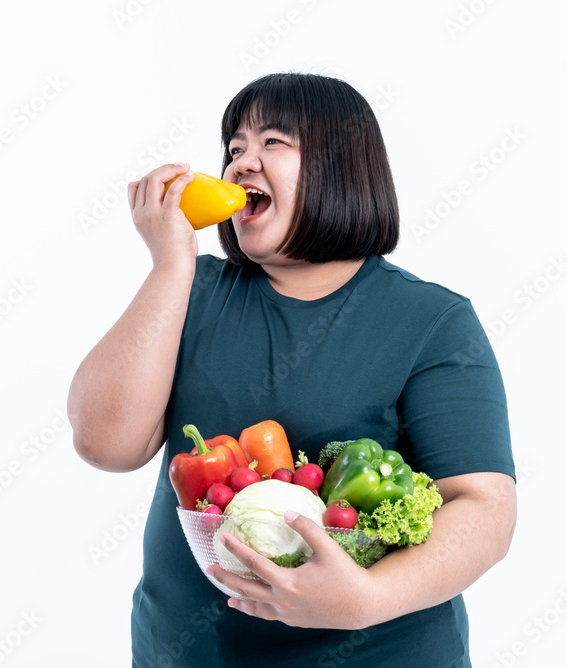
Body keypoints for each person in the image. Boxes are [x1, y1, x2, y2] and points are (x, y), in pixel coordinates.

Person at [66, 72, 516, 667]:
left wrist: (365, 599)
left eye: (272, 143)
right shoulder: (188, 292)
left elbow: (484, 505)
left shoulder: (431, 319)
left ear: (342, 165)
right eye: (234, 148)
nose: (241, 163)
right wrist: (171, 261)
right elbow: (105, 443)